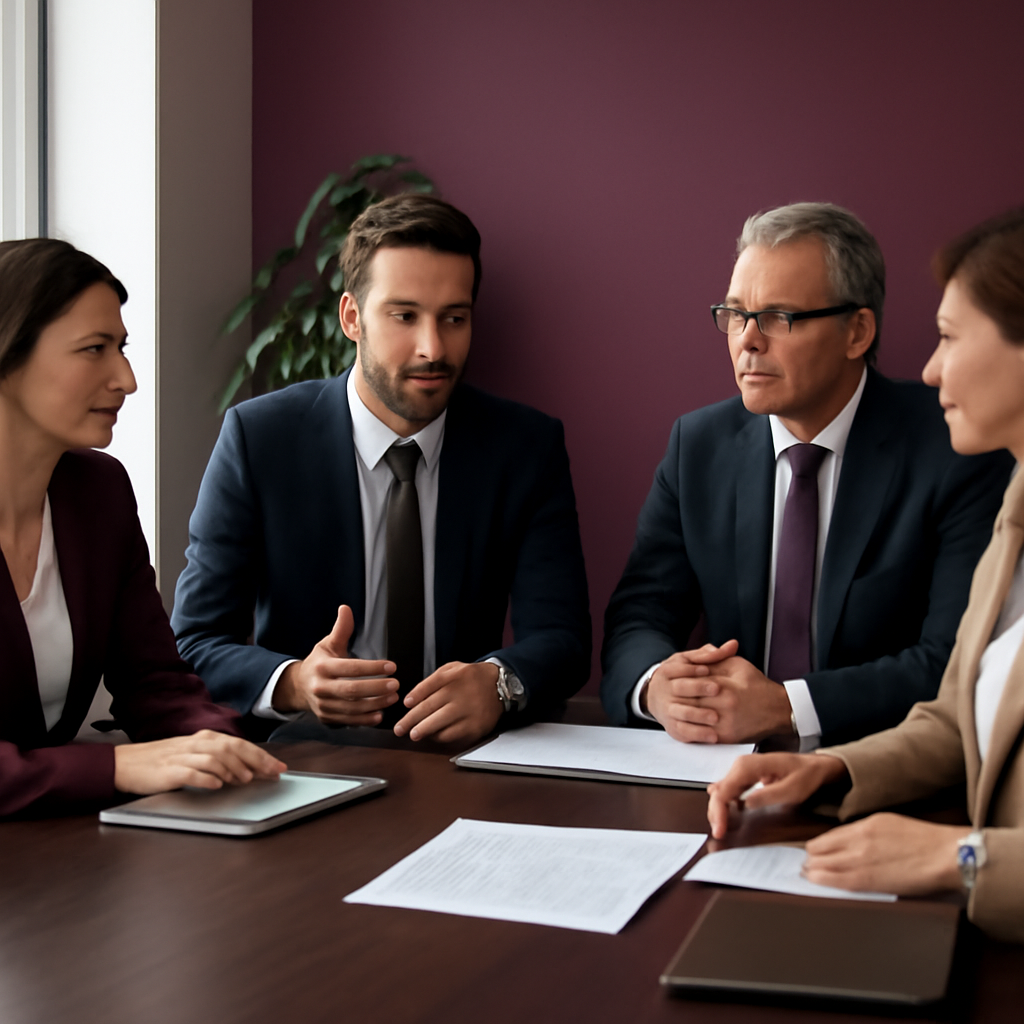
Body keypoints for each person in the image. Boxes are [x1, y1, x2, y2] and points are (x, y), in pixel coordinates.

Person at [708, 207, 1024, 943]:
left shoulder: (966, 475)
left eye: (949, 338)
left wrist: (962, 857)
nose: (929, 366)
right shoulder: (1017, 501)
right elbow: (958, 715)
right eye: (736, 315)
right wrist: (838, 770)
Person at [171, 194, 591, 745]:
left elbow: (562, 638)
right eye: (404, 316)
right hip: (309, 756)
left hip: (465, 758)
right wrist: (295, 682)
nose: (432, 348)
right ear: (352, 318)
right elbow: (194, 641)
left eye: (454, 319)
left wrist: (497, 683)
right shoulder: (260, 439)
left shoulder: (524, 447)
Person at [602, 203, 1013, 747]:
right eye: (734, 314)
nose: (747, 340)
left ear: (857, 332)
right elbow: (639, 615)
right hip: (719, 767)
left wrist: (787, 707)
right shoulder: (697, 446)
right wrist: (657, 685)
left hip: (883, 771)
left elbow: (952, 661)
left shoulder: (956, 449)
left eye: (778, 317)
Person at [0, 238, 284, 816]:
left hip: (57, 855)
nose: (127, 379)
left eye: (122, 348)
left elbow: (155, 682)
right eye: (94, 349)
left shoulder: (98, 491)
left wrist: (214, 743)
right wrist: (118, 766)